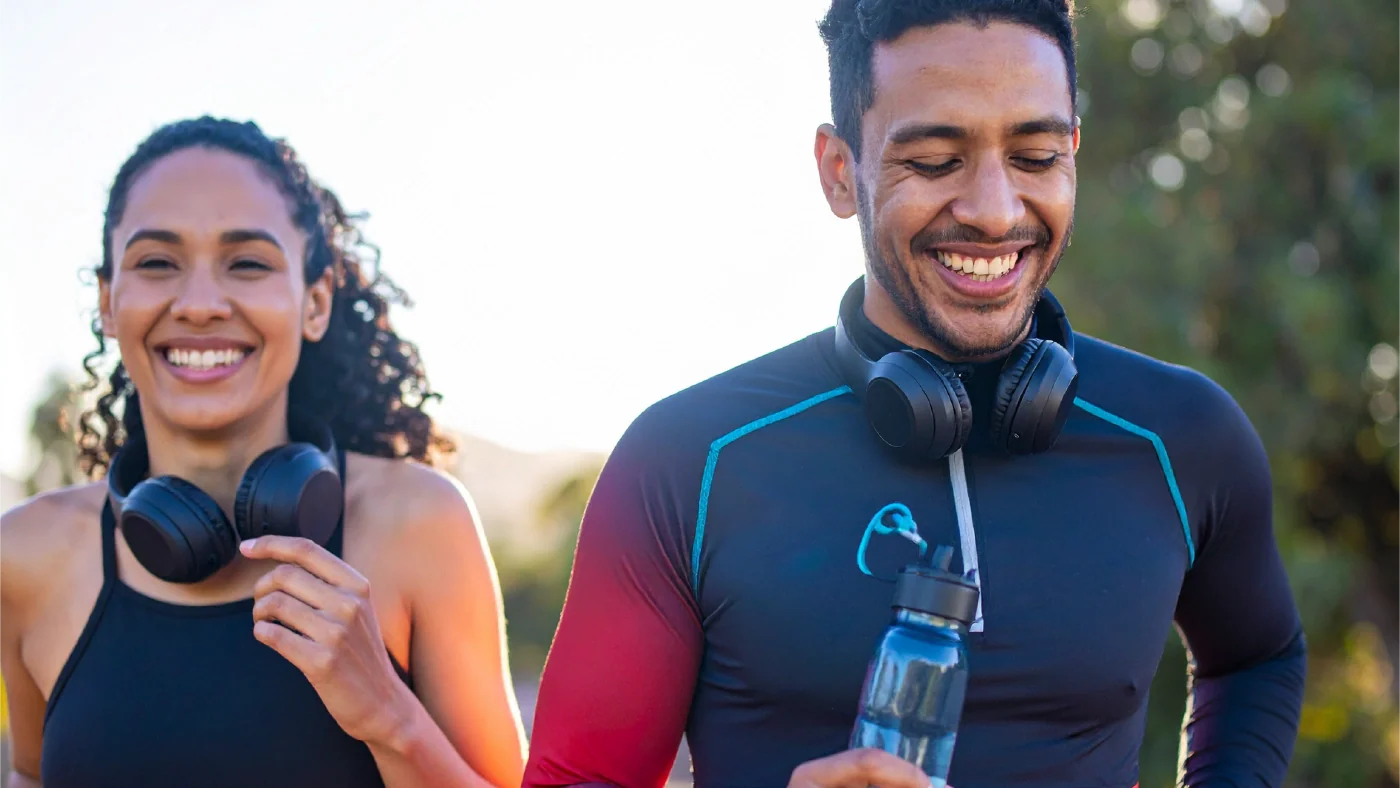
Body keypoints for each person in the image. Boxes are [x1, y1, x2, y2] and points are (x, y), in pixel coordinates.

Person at [522, 1, 1306, 786]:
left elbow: (1258, 656)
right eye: (934, 162)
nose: (994, 212)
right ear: (840, 172)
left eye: (1035, 156)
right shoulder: (686, 462)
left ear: (1073, 149)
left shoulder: (1183, 435)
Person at [0, 117, 526, 787]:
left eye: (247, 263)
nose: (199, 305)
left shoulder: (421, 523)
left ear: (314, 303)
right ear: (108, 302)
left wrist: (390, 717)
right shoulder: (24, 555)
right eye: (157, 262)